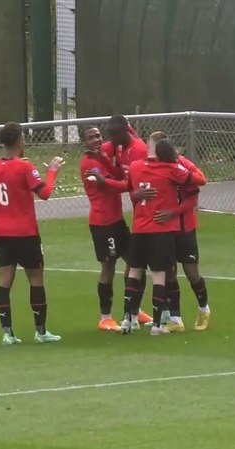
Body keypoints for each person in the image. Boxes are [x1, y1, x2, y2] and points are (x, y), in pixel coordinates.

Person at [0, 121, 64, 346]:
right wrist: (52, 172)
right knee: (36, 279)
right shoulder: (25, 168)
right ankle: (41, 331)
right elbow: (45, 193)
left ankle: (7, 333)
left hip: (1, 233)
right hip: (25, 232)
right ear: (20, 141)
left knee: (4, 281)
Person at [121, 138, 204, 335]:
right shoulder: (171, 169)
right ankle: (158, 325)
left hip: (139, 229)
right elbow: (199, 181)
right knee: (159, 275)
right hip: (161, 230)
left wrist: (138, 193)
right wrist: (180, 163)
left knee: (134, 272)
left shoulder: (134, 166)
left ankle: (126, 320)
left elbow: (131, 191)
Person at [146, 131, 211, 332]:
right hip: (166, 230)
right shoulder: (155, 167)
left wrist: (172, 213)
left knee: (192, 273)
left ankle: (203, 309)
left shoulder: (182, 167)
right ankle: (176, 319)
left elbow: (195, 191)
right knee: (170, 273)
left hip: (185, 227)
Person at [101, 115, 154, 328]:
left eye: (115, 136)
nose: (111, 141)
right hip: (137, 216)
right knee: (135, 263)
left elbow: (136, 188)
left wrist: (106, 182)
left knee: (143, 264)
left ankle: (143, 313)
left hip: (148, 213)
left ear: (125, 131)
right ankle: (133, 312)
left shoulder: (139, 150)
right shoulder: (119, 145)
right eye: (110, 137)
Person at [80, 126, 133, 331]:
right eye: (91, 137)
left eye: (98, 136)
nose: (96, 140)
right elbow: (111, 184)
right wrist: (129, 183)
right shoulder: (89, 164)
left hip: (116, 220)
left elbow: (117, 173)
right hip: (103, 223)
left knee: (134, 260)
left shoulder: (103, 158)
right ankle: (105, 317)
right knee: (108, 266)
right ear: (84, 142)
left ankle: (133, 310)